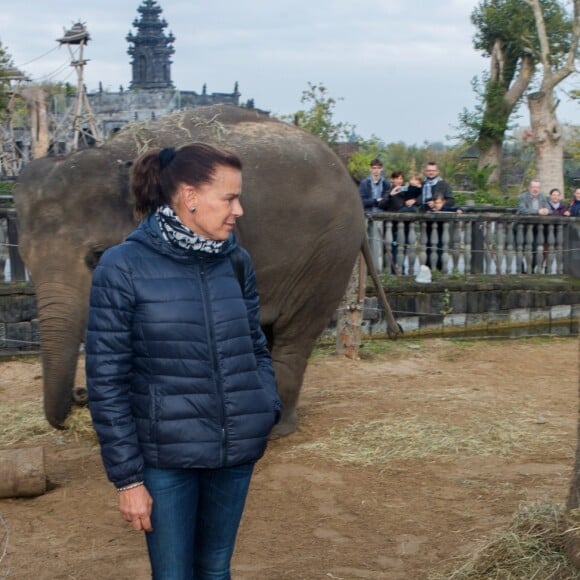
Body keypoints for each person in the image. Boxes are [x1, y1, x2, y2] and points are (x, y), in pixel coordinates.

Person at [86, 143, 282, 579]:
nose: (239, 210)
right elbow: (106, 382)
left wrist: (264, 406)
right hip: (165, 460)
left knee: (215, 569)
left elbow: (253, 344)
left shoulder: (235, 262)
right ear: (190, 197)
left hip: (234, 453)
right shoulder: (122, 268)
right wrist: (128, 480)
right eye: (229, 198)